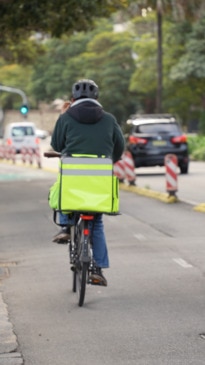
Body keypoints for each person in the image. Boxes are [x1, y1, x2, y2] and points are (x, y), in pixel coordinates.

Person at [50, 79, 125, 285]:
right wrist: (110, 159)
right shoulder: (109, 119)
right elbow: (119, 147)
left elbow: (56, 144)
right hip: (99, 180)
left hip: (73, 177)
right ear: (96, 99)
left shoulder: (66, 118)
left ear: (72, 99)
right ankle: (98, 269)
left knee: (60, 190)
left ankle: (65, 227)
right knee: (97, 223)